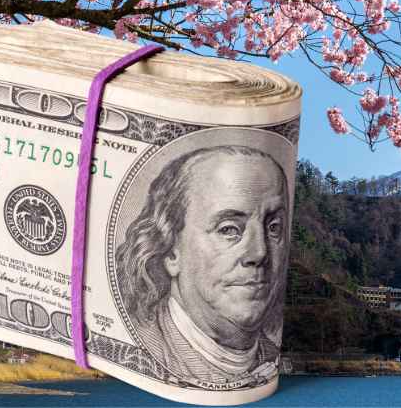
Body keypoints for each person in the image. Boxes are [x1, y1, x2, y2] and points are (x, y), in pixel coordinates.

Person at [114, 145, 289, 385]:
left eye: (274, 228)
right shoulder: (144, 350)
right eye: (228, 229)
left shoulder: (272, 357)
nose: (259, 253)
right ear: (171, 250)